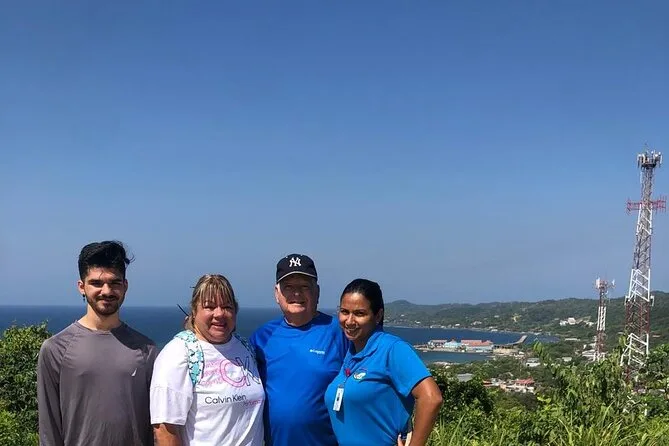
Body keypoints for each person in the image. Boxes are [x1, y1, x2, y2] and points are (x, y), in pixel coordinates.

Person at [37, 240, 158, 446]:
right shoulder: (56, 349)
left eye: (114, 283)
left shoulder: (147, 350)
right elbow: (49, 430)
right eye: (96, 283)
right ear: (81, 287)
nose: (106, 291)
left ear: (125, 286)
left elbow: (158, 426)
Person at [325, 278, 443, 446]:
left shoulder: (392, 348)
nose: (349, 321)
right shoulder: (352, 352)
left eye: (359, 313)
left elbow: (431, 398)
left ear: (378, 315)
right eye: (344, 312)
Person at [150, 274, 265, 446]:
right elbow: (165, 429)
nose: (219, 314)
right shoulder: (178, 354)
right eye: (209, 307)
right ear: (194, 311)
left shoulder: (245, 347)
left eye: (226, 306)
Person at [250, 254, 349, 446]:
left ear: (317, 292)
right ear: (276, 293)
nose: (296, 293)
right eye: (288, 287)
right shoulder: (261, 338)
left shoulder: (339, 332)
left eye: (304, 286)